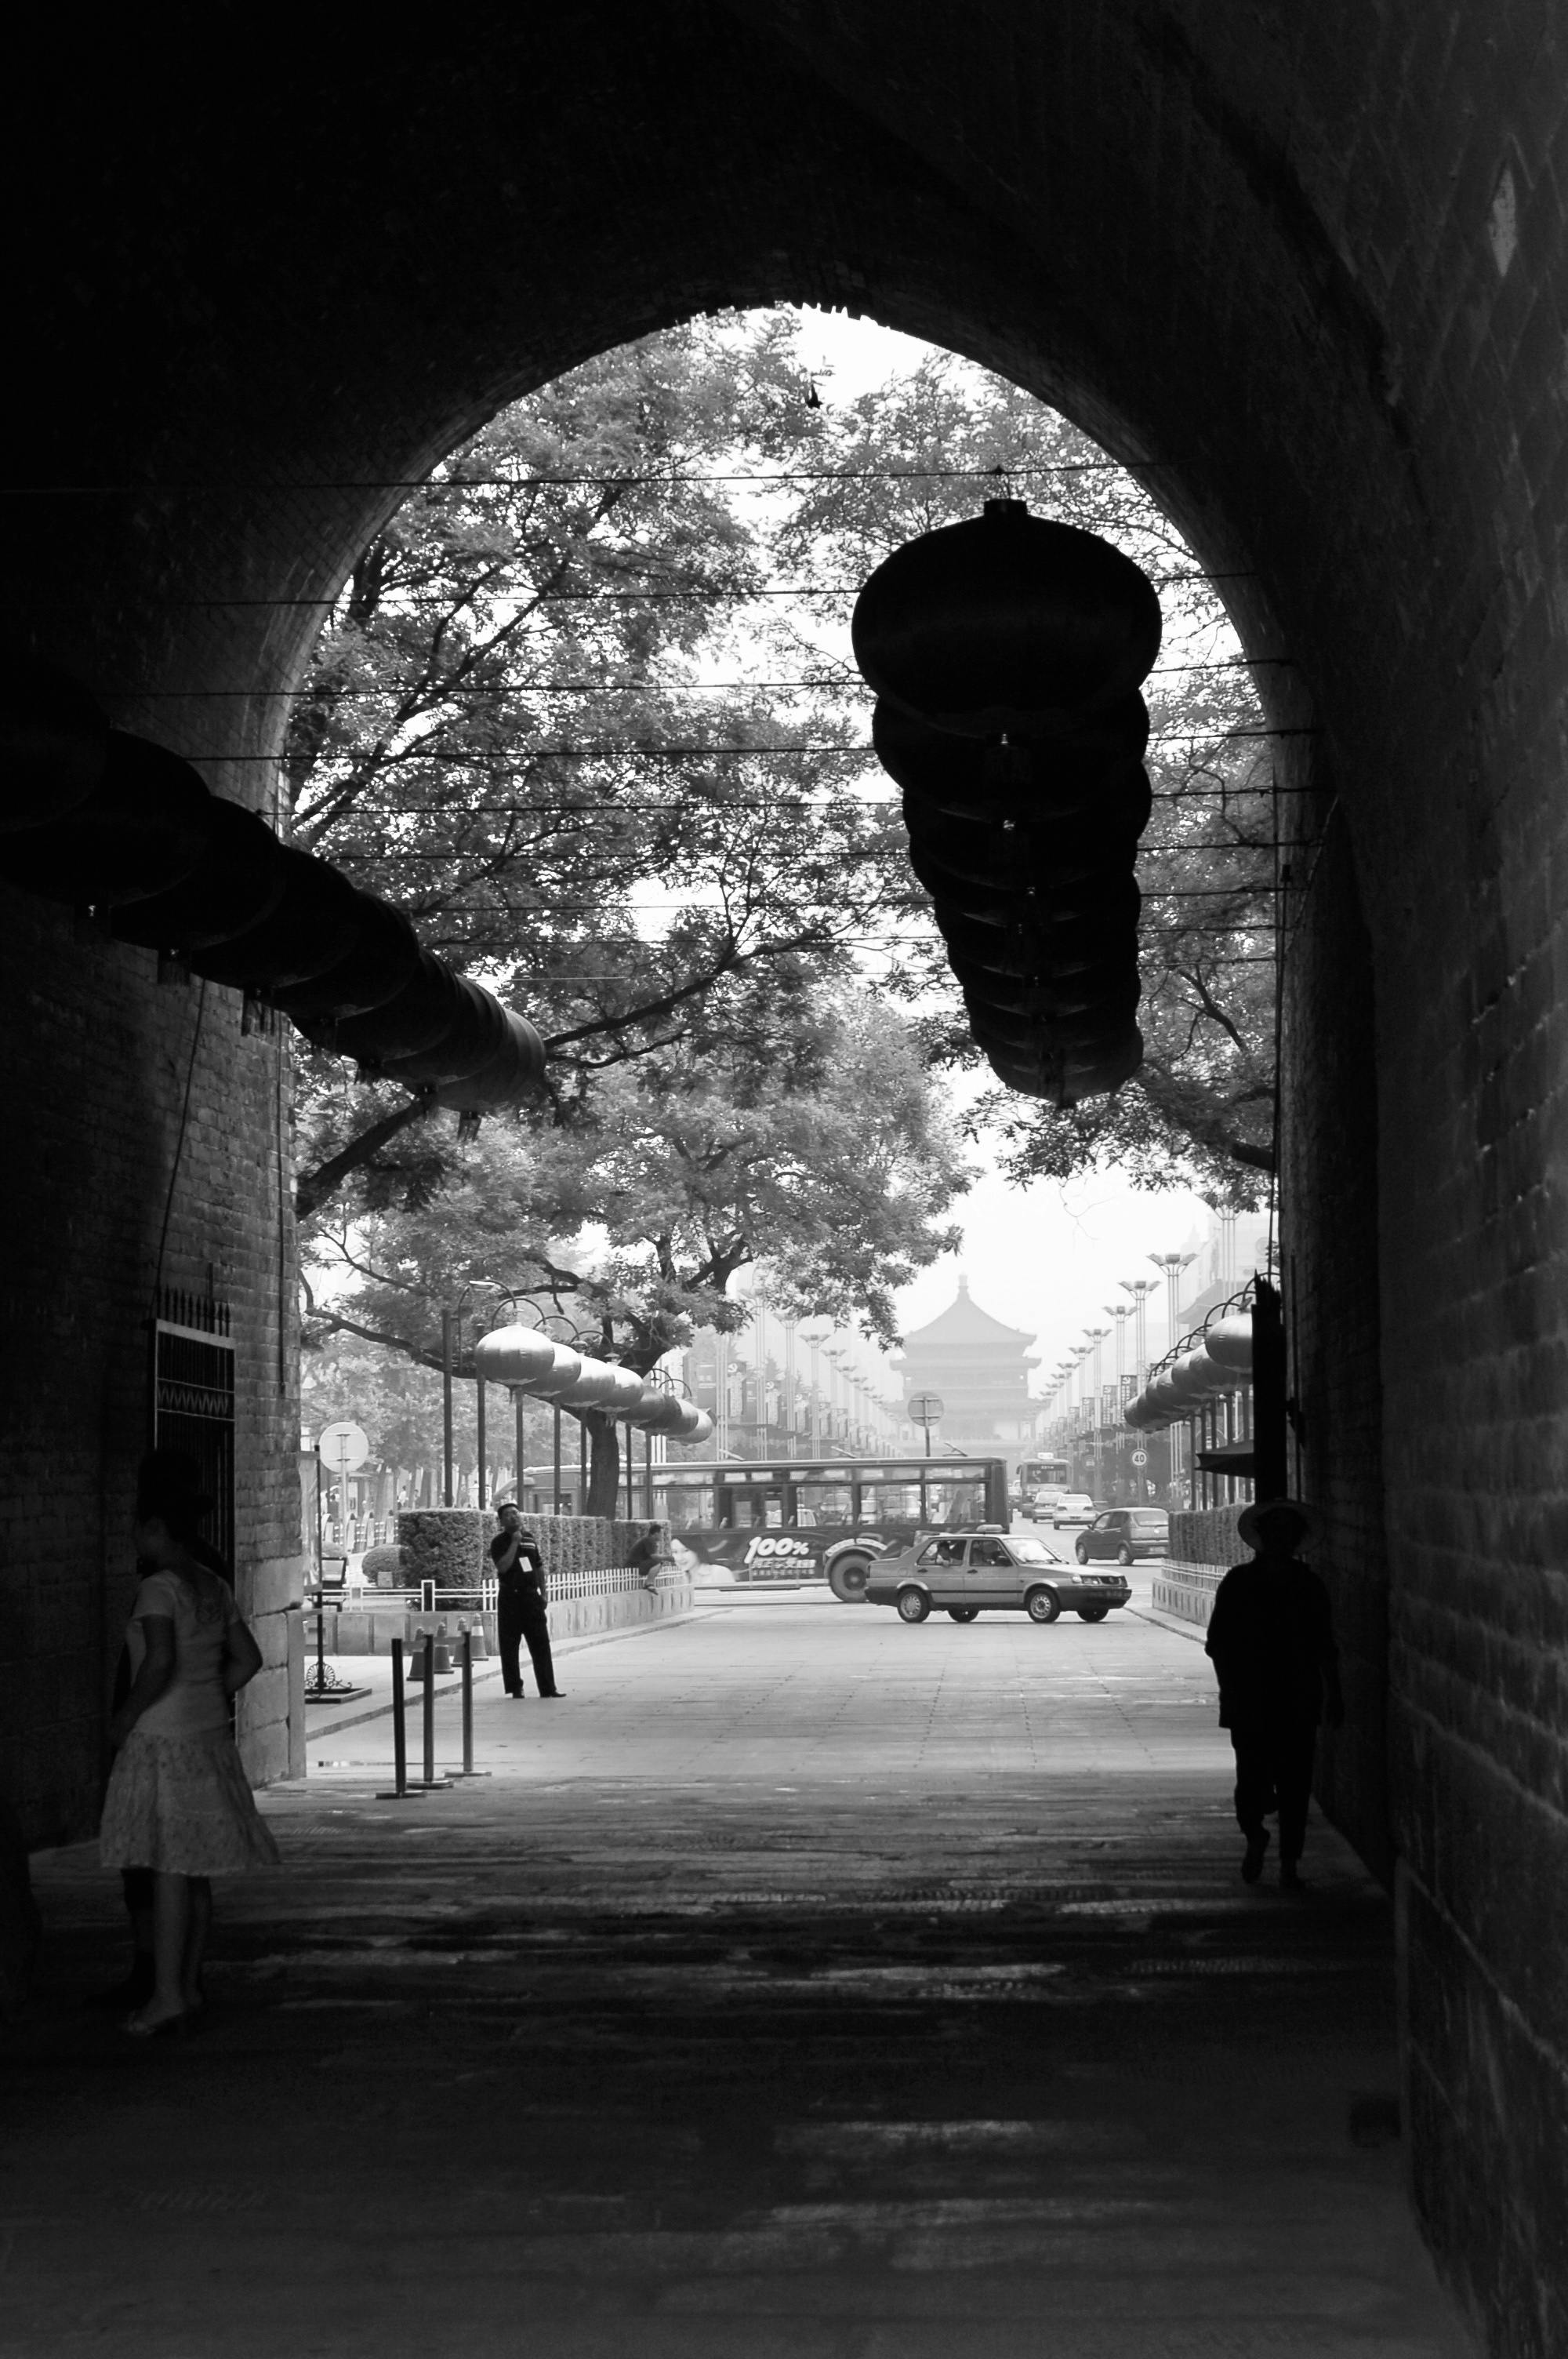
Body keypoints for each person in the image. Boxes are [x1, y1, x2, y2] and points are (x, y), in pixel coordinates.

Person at [98, 1476, 280, 2034]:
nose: (132, 1536)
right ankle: (190, 1984)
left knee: (168, 1868)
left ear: (156, 1528)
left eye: (138, 1527)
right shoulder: (212, 1585)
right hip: (207, 1737)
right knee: (195, 1867)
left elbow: (157, 1662)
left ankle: (168, 1994)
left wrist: (125, 1718)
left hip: (163, 1740)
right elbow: (247, 1659)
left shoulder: (159, 1588)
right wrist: (209, 1692)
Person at [1204, 1498, 1345, 1891]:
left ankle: (1288, 1862)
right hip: (1263, 1698)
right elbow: (1218, 1644)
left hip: (1287, 1700)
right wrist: (1230, 1691)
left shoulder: (1302, 1585)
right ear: (1262, 1539)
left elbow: (1324, 1645)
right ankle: (1257, 1837)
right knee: (1256, 1782)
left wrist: (1334, 1693)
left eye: (1288, 1534)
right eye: (1275, 1533)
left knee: (1291, 1784)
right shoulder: (1248, 1583)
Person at [490, 1501, 561, 1699]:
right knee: (510, 1645)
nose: (514, 1517)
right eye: (509, 1515)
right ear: (502, 1521)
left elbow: (538, 1567)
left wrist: (544, 1593)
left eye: (516, 1513)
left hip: (531, 1597)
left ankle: (548, 1688)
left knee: (541, 1643)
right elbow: (502, 1567)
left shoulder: (530, 1539)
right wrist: (514, 1542)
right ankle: (515, 1687)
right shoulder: (499, 1542)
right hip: (510, 1598)